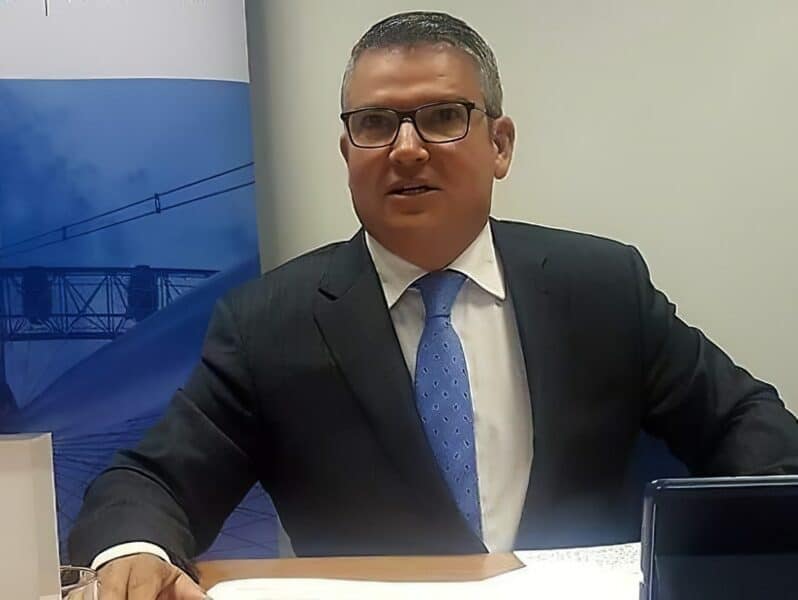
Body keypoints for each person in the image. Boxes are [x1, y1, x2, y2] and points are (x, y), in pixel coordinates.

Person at [68, 11, 798, 599]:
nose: (407, 149)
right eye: (375, 124)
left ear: (500, 144)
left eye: (443, 116)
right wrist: (134, 550)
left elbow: (744, 423)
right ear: (348, 152)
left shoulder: (601, 287)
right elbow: (148, 482)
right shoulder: (269, 324)